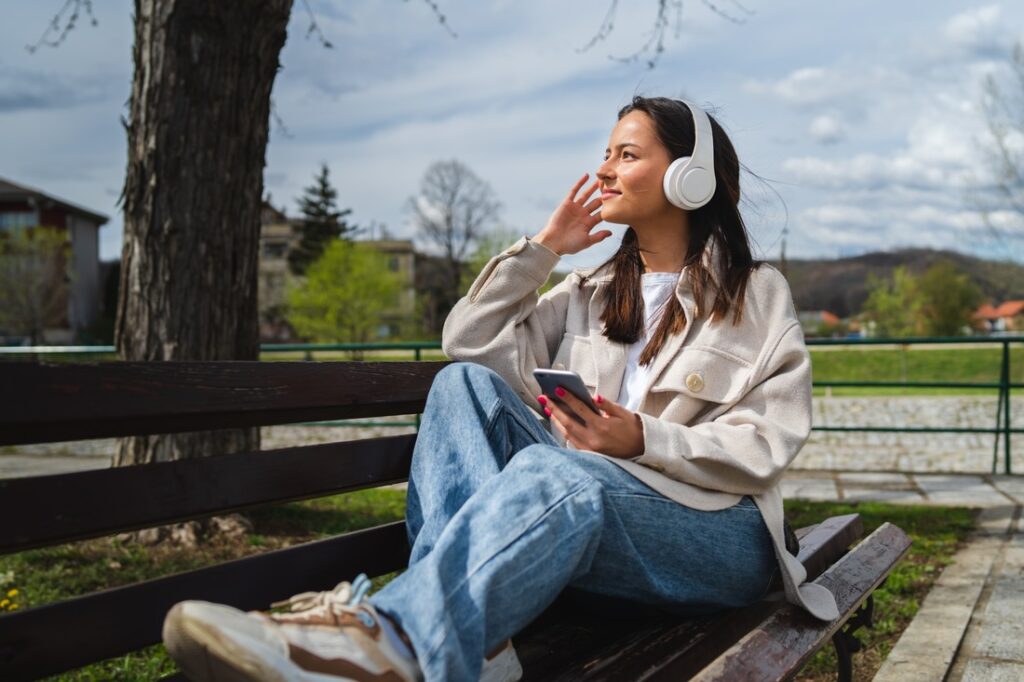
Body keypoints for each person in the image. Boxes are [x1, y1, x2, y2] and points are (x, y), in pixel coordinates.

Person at [161, 96, 838, 682]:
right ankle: (474, 645)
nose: (603, 169)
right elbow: (471, 342)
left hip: (714, 538)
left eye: (626, 154)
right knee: (462, 386)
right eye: (606, 153)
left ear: (691, 178)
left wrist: (642, 437)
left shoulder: (755, 294)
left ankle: (388, 638)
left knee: (562, 471)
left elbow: (767, 444)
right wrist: (544, 248)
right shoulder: (590, 293)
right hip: (598, 523)